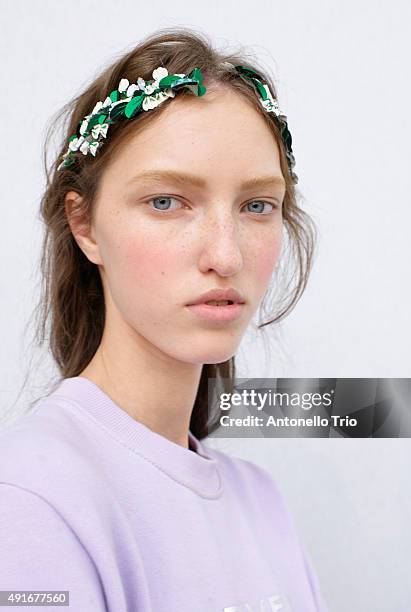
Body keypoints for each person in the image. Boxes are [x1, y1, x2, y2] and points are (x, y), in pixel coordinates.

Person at [0, 27, 327, 611]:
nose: (225, 256)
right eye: (167, 202)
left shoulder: (262, 503)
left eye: (257, 206)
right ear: (86, 226)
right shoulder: (30, 498)